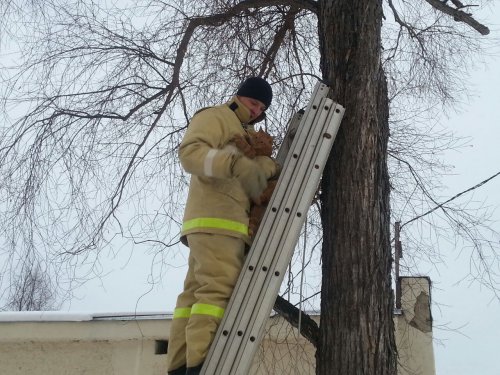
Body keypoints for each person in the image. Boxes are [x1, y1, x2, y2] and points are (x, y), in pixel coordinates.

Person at [166, 77, 279, 375]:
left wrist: (265, 168)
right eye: (254, 102)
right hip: (219, 223)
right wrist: (234, 163)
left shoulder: (246, 131)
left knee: (193, 298)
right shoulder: (216, 116)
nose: (256, 111)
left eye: (262, 107)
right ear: (240, 96)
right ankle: (202, 366)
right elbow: (190, 154)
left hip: (213, 224)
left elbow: (252, 171)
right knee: (217, 293)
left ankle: (180, 366)